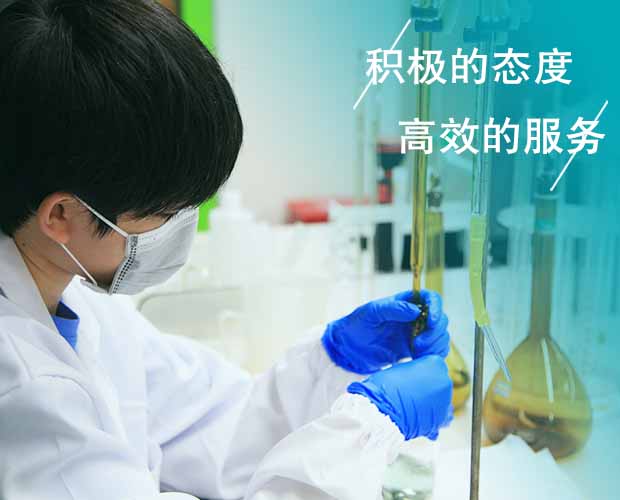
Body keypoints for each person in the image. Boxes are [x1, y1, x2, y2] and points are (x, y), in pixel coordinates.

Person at [0, 1, 453, 499]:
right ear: (61, 215)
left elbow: (217, 431)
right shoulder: (24, 392)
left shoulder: (76, 298)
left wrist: (331, 362)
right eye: (167, 210)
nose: (184, 227)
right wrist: (369, 426)